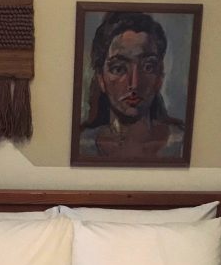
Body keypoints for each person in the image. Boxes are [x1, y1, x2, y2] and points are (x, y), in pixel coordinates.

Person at [79, 11, 185, 161]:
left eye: (148, 67)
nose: (134, 83)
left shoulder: (180, 144)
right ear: (101, 78)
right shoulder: (82, 144)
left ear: (160, 77)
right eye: (118, 68)